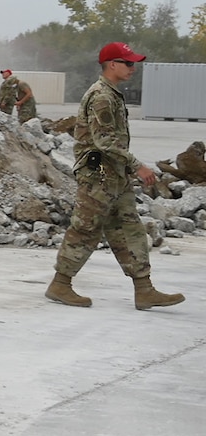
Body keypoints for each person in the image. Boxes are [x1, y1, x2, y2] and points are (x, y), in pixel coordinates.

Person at [47, 42, 184, 309]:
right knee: (86, 229)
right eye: (128, 63)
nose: (133, 68)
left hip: (115, 175)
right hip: (97, 175)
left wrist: (126, 169)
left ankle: (144, 289)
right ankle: (61, 284)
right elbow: (105, 140)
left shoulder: (112, 94)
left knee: (129, 228)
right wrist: (137, 165)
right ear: (112, 65)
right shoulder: (101, 96)